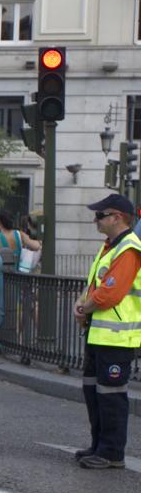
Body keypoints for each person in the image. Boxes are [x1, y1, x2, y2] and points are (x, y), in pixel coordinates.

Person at [72, 194, 139, 469]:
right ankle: (99, 444)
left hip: (117, 338)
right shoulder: (110, 246)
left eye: (100, 215)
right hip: (99, 334)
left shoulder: (129, 249)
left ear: (118, 217)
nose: (95, 220)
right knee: (94, 392)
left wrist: (84, 308)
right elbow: (96, 285)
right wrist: (82, 303)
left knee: (111, 396)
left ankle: (112, 452)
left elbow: (109, 294)